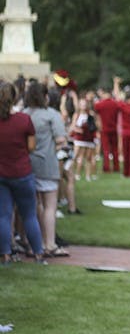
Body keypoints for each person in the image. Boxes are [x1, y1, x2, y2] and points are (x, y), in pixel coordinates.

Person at [0, 82, 45, 264]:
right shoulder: (24, 120)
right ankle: (38, 254)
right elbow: (31, 147)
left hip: (1, 173)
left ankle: (6, 254)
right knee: (29, 215)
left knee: (4, 215)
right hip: (22, 172)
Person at [23, 82, 69, 257]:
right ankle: (49, 243)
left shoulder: (23, 114)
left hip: (26, 164)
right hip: (47, 163)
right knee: (50, 205)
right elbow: (60, 139)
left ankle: (32, 243)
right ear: (45, 96)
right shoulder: (51, 115)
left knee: (32, 207)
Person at [94, 86, 120, 173]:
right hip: (114, 128)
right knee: (115, 149)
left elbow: (97, 116)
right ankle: (116, 167)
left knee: (106, 149)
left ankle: (106, 167)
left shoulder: (99, 104)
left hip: (104, 129)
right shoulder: (115, 104)